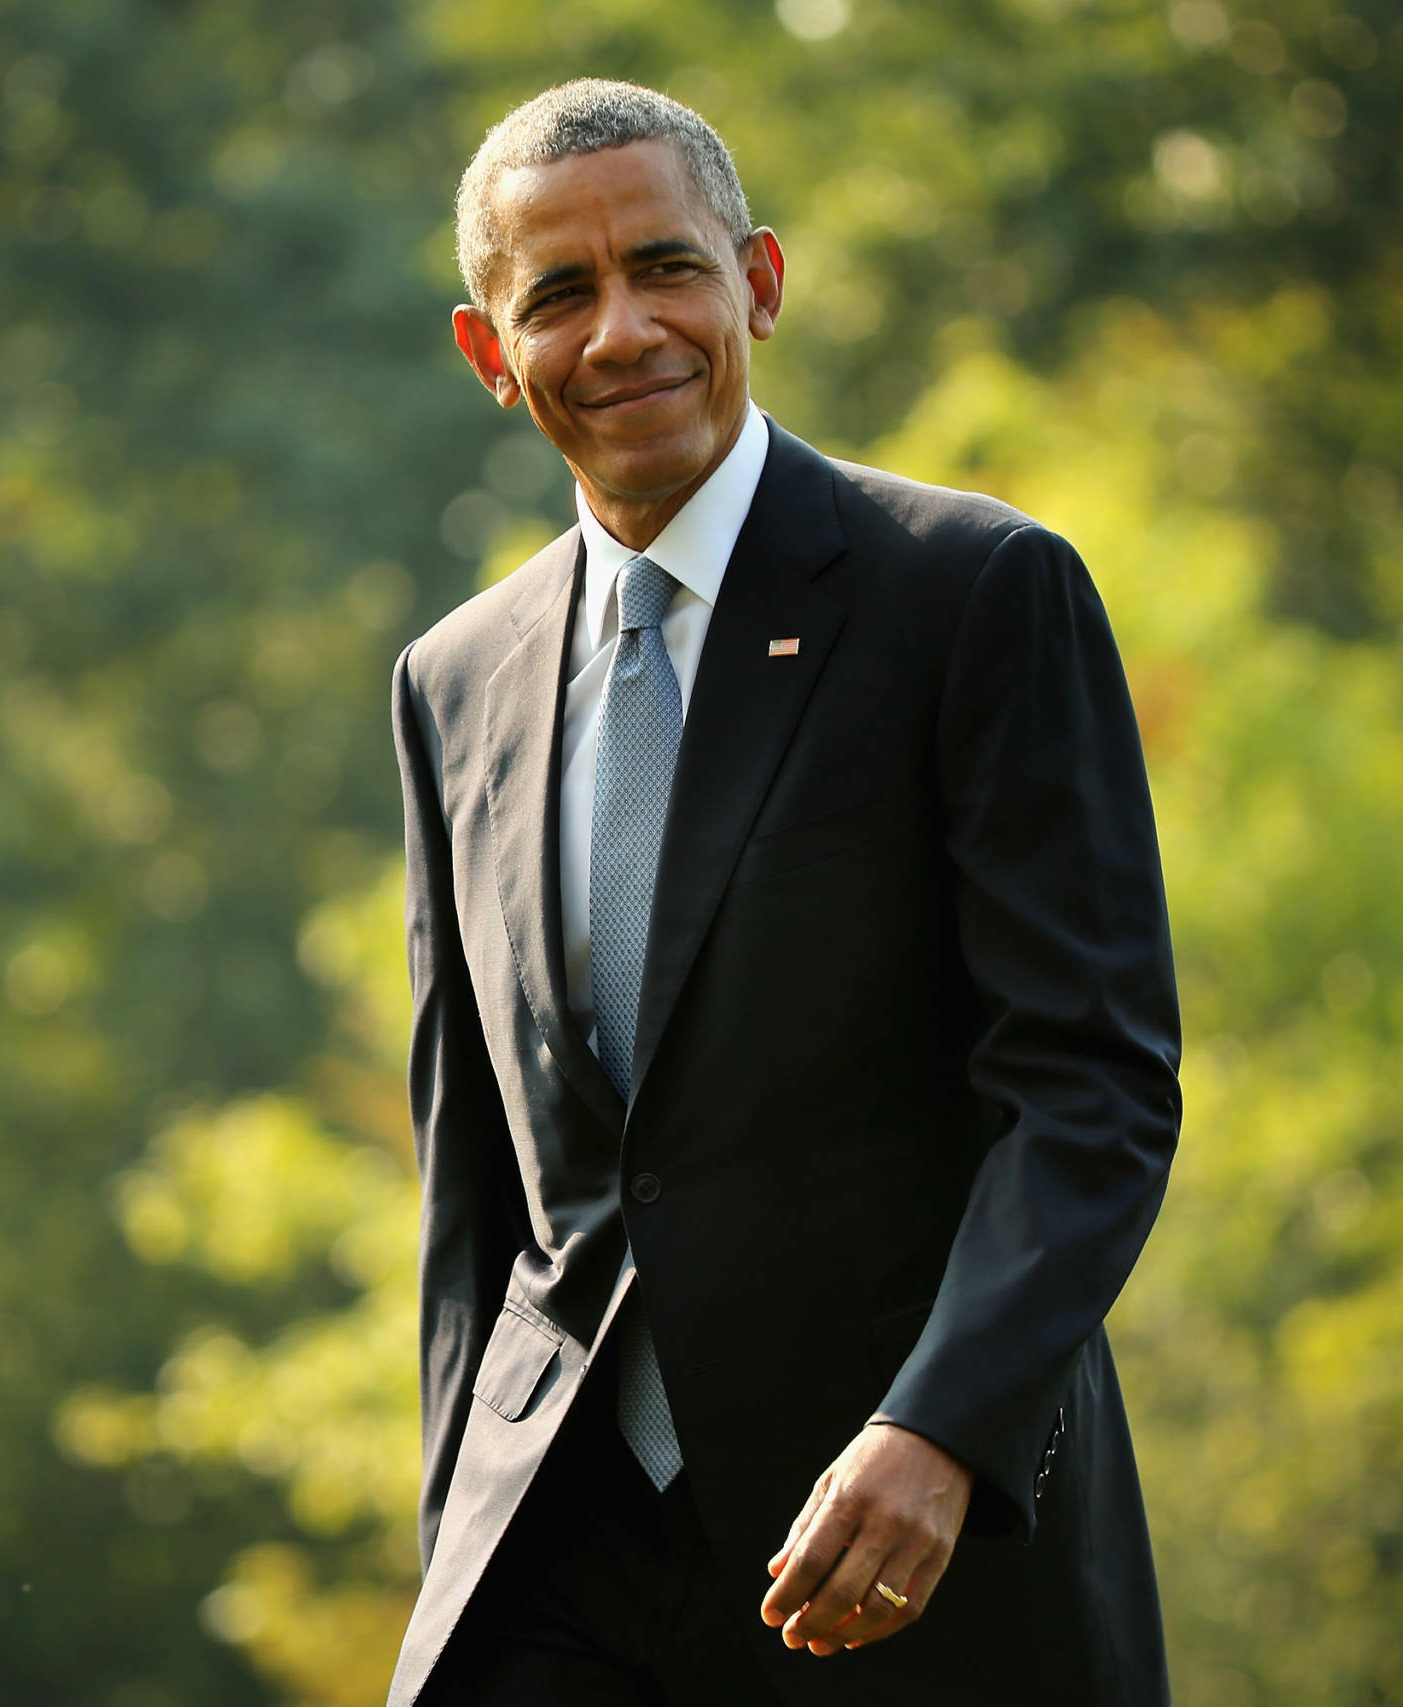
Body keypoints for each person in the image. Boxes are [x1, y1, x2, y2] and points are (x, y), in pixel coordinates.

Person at [388, 79, 1181, 1707]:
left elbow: (1089, 1086)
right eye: (560, 294)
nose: (623, 332)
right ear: (489, 353)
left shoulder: (971, 594)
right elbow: (473, 1187)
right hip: (561, 1561)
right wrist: (456, 1529)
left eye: (666, 269)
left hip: (904, 1545)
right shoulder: (450, 683)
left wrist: (942, 1428)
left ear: (757, 281)